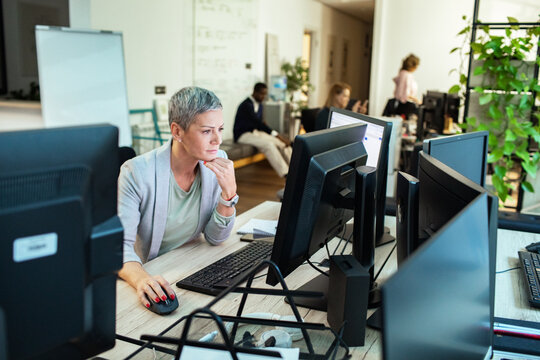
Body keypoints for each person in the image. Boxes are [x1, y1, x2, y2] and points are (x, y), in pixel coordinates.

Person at [117, 86, 237, 308]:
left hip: (193, 263)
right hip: (151, 272)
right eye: (206, 131)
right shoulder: (136, 172)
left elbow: (215, 238)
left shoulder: (217, 161)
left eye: (220, 129)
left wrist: (228, 195)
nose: (217, 140)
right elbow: (118, 248)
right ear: (177, 131)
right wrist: (142, 279)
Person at [233, 82, 292, 178]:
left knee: (282, 143)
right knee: (268, 145)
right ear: (254, 92)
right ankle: (286, 174)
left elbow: (260, 123)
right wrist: (279, 136)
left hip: (255, 132)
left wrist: (279, 138)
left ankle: (295, 168)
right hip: (242, 134)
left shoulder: (260, 105)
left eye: (265, 94)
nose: (263, 97)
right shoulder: (246, 105)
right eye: (261, 94)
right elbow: (259, 124)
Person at [392, 54, 420, 118]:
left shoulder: (402, 73)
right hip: (406, 107)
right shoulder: (407, 76)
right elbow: (405, 95)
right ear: (414, 66)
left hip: (402, 106)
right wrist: (417, 100)